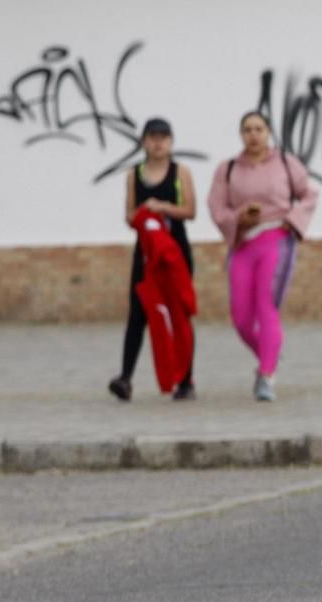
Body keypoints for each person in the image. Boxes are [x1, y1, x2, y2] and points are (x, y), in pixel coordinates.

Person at [208, 111, 318, 402]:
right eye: (247, 129)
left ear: (268, 131)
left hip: (276, 238)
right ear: (241, 134)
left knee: (265, 306)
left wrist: (292, 220)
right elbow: (217, 208)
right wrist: (237, 218)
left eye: (259, 128)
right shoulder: (228, 169)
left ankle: (266, 374)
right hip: (243, 243)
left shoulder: (285, 163)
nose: (253, 134)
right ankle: (269, 352)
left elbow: (309, 194)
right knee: (241, 318)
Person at [109, 117, 197, 401]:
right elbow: (129, 215)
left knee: (179, 312)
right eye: (152, 137)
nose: (158, 143)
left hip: (175, 252)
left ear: (171, 141)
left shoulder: (180, 172)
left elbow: (190, 210)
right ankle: (125, 377)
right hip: (146, 254)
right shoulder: (135, 174)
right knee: (138, 313)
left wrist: (163, 208)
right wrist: (144, 215)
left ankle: (185, 379)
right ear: (144, 141)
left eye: (163, 137)